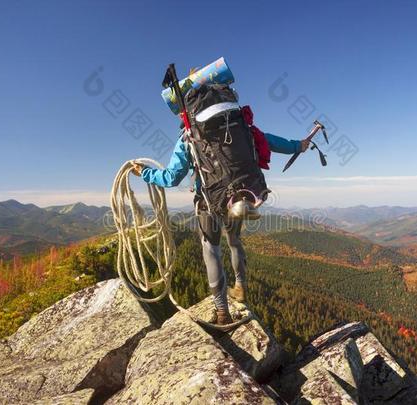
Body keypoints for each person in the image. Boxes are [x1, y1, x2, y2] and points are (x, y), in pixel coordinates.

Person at [132, 103, 309, 325]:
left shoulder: (189, 136)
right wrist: (299, 146)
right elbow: (270, 141)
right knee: (234, 241)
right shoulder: (239, 124)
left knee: (211, 251)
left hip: (210, 202)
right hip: (241, 197)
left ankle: (222, 312)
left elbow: (172, 177)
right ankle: (240, 287)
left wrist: (145, 173)